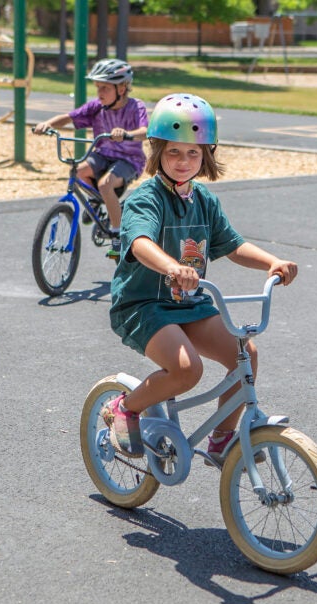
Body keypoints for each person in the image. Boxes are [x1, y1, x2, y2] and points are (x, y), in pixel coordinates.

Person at [101, 93, 298, 463]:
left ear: (207, 154)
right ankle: (125, 407)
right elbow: (140, 242)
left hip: (188, 304)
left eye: (193, 153)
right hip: (143, 306)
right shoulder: (146, 198)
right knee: (188, 370)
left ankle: (223, 440)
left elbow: (232, 245)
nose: (183, 161)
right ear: (157, 151)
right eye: (173, 152)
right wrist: (172, 267)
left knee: (246, 355)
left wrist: (273, 262)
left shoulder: (204, 199)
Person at [32, 58, 148, 259]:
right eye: (97, 88)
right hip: (102, 154)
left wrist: (127, 133)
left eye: (105, 88)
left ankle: (117, 233)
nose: (99, 93)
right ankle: (96, 202)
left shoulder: (135, 106)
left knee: (105, 184)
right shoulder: (96, 107)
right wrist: (48, 124)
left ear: (121, 88)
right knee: (78, 172)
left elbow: (145, 131)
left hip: (129, 159)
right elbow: (69, 117)